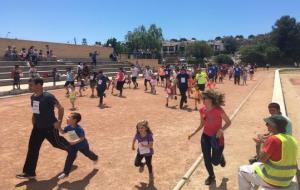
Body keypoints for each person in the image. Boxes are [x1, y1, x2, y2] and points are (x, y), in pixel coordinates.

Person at [16, 78, 70, 179]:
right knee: (32, 148)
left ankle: (72, 150)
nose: (29, 87)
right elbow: (35, 110)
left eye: (31, 85)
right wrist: (33, 119)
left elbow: (60, 108)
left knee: (57, 143)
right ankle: (29, 172)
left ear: (39, 85)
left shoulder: (48, 96)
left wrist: (59, 122)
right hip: (37, 128)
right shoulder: (32, 97)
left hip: (49, 127)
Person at [238, 115, 297, 189]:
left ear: (274, 126)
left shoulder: (274, 139)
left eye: (268, 124)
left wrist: (259, 143)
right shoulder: (293, 140)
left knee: (241, 170)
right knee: (256, 166)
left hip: (273, 179)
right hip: (287, 179)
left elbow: (261, 159)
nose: (266, 125)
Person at [188, 90, 231, 185]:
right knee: (206, 158)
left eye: (205, 98)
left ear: (211, 99)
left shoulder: (218, 110)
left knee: (215, 162)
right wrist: (193, 133)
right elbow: (202, 124)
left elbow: (228, 122)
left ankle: (220, 157)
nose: (203, 100)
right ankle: (211, 176)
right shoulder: (202, 110)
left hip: (217, 138)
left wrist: (222, 130)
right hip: (206, 137)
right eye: (203, 98)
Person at [56, 112, 98, 179]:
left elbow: (82, 138)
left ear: (74, 120)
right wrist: (59, 127)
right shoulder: (68, 127)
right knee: (70, 157)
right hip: (73, 146)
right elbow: (63, 132)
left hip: (82, 145)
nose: (67, 118)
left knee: (87, 153)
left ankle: (95, 158)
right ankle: (65, 173)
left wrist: (74, 142)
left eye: (69, 117)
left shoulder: (79, 129)